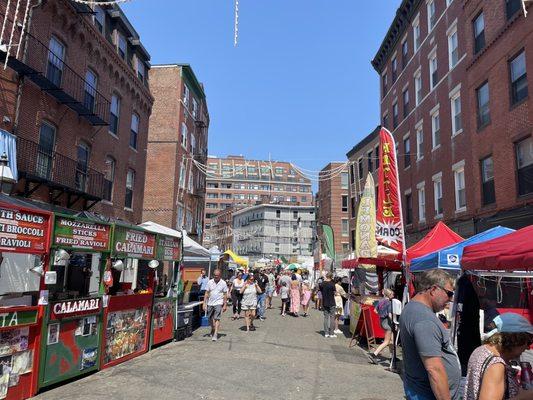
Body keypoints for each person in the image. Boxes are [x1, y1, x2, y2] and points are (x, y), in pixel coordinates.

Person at [400, 269, 461, 400]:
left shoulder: (413, 307)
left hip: (419, 389)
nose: (450, 299)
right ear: (433, 289)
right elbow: (434, 369)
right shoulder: (425, 319)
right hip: (427, 394)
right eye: (449, 294)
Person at [464, 313, 533, 400]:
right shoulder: (496, 366)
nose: (528, 347)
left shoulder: (481, 350)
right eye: (528, 341)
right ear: (515, 339)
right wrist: (522, 397)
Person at [369, 288, 395, 364]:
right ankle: (374, 354)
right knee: (386, 341)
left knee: (391, 340)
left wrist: (381, 315)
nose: (393, 295)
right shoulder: (389, 303)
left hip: (382, 322)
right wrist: (395, 322)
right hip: (388, 324)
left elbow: (375, 311)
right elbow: (390, 315)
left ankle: (392, 356)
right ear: (389, 295)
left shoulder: (380, 301)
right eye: (392, 294)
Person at [202, 269, 228, 342]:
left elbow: (225, 294)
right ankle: (213, 328)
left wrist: (225, 304)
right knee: (210, 318)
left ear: (220, 275)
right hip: (210, 302)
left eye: (217, 275)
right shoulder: (210, 282)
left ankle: (215, 334)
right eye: (215, 275)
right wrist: (204, 303)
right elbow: (206, 293)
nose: (216, 277)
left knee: (217, 318)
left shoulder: (223, 283)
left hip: (219, 302)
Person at [320, 272, 337, 338]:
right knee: (332, 317)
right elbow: (335, 293)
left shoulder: (322, 284)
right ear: (331, 276)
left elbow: (321, 291)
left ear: (326, 276)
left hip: (325, 302)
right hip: (332, 302)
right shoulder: (332, 284)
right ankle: (332, 333)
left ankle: (326, 333)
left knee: (326, 317)